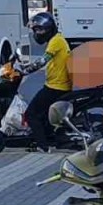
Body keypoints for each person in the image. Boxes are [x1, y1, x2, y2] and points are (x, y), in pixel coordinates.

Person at [23, 12, 71, 152]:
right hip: (57, 85)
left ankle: (42, 146)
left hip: (56, 87)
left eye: (40, 29)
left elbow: (43, 60)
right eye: (36, 30)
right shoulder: (57, 39)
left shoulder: (56, 41)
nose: (38, 33)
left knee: (30, 114)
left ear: (49, 28)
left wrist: (26, 70)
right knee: (43, 114)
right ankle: (47, 138)